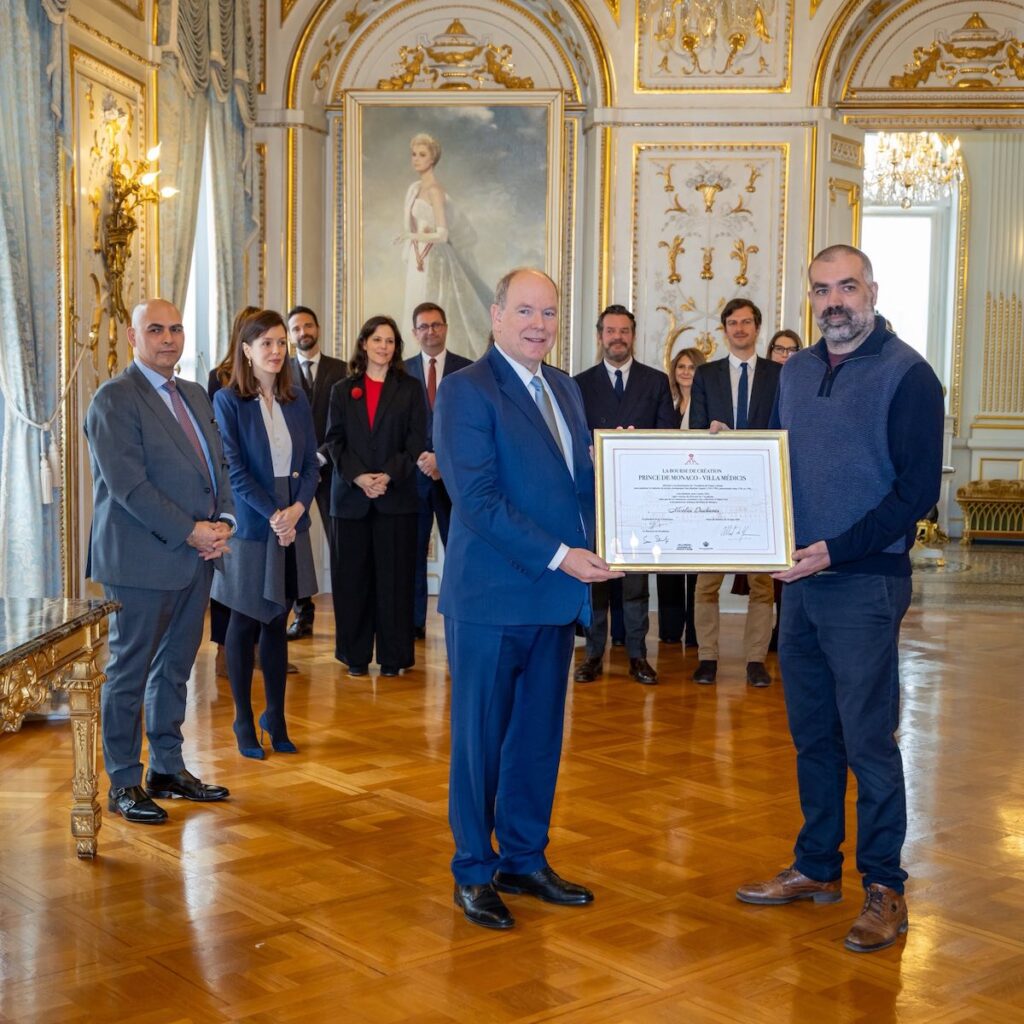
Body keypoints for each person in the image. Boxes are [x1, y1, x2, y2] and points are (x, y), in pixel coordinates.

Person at [736, 244, 944, 955]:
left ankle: (885, 886)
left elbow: (915, 495)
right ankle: (818, 865)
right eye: (822, 289)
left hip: (864, 582)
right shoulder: (793, 371)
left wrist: (835, 548)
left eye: (847, 287)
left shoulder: (909, 375)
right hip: (801, 585)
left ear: (872, 291)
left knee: (868, 742)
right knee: (812, 736)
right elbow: (772, 462)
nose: (835, 301)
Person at [435, 268, 623, 931]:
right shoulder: (465, 391)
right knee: (481, 742)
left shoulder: (565, 388)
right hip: (491, 599)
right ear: (495, 315)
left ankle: (523, 856)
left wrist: (666, 470)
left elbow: (582, 484)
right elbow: (478, 500)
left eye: (548, 312)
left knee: (538, 739)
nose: (539, 324)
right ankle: (473, 870)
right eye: (525, 311)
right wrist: (561, 556)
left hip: (554, 598)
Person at [85, 298, 233, 824]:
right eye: (155, 329)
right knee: (129, 672)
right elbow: (129, 487)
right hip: (139, 560)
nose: (168, 338)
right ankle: (124, 781)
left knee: (174, 668)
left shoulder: (193, 393)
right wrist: (192, 531)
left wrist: (225, 524)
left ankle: (166, 768)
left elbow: (219, 466)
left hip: (196, 557)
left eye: (175, 329)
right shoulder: (113, 399)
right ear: (133, 336)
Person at [212, 310, 319, 759]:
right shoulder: (228, 401)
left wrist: (295, 510)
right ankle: (242, 717)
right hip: (253, 524)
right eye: (266, 344)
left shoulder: (297, 400)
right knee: (244, 620)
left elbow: (312, 463)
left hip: (290, 520)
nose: (276, 351)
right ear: (246, 350)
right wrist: (276, 514)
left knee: (278, 618)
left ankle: (275, 715)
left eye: (280, 343)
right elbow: (234, 471)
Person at [572, 304, 676, 686]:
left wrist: (637, 446)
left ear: (633, 335)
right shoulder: (578, 384)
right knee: (596, 579)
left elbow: (668, 435)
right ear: (600, 335)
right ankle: (593, 655)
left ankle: (637, 656)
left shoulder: (655, 382)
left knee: (634, 584)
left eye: (624, 331)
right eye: (610, 331)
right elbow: (572, 437)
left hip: (639, 499)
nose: (617, 337)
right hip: (595, 497)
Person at [325, 315, 426, 676]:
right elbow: (334, 441)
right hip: (350, 501)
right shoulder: (342, 389)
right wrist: (359, 477)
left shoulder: (410, 389)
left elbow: (416, 441)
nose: (384, 346)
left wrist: (386, 476)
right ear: (364, 343)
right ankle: (354, 657)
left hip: (395, 498)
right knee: (352, 581)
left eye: (390, 341)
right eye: (378, 339)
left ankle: (393, 658)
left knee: (395, 582)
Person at [689, 298, 782, 688]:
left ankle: (755, 660)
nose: (740, 329)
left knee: (762, 584)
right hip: (716, 492)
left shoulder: (778, 375)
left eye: (746, 322)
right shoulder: (706, 374)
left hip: (761, 494)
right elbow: (694, 430)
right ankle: (708, 657)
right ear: (723, 330)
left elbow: (785, 430)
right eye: (732, 322)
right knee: (707, 583)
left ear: (758, 328)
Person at [404, 301, 473, 639]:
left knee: (458, 549)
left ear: (446, 328)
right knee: (412, 553)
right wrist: (423, 456)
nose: (431, 331)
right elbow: (399, 427)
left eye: (436, 324)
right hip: (414, 478)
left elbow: (470, 426)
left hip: (454, 479)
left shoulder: (467, 370)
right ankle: (414, 622)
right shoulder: (400, 372)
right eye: (424, 326)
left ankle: (460, 615)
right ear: (415, 332)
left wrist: (442, 461)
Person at [397, 132, 492, 360]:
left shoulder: (435, 191)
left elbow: (442, 233)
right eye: (414, 154)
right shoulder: (414, 189)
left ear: (432, 159)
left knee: (435, 303)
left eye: (422, 154)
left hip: (435, 259)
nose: (416, 159)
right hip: (418, 259)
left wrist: (411, 235)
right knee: (415, 304)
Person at [286, 305, 348, 641]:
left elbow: (344, 422)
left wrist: (323, 458)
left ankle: (347, 613)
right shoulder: (280, 370)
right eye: (295, 328)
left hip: (332, 469)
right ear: (290, 334)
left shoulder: (341, 369)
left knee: (338, 543)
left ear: (318, 328)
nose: (302, 332)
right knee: (295, 544)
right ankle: (302, 614)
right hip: (293, 474)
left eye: (307, 325)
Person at [207, 305, 260, 678]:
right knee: (231, 568)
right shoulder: (219, 378)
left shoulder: (276, 376)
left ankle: (259, 645)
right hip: (232, 483)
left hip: (266, 486)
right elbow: (215, 436)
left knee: (261, 571)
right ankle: (225, 647)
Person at [656, 346, 707, 648]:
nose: (686, 372)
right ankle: (671, 629)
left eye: (692, 367)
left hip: (698, 494)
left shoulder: (708, 404)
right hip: (669, 496)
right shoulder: (667, 403)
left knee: (698, 565)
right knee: (670, 562)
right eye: (681, 367)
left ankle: (696, 633)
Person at [765, 328, 802, 650]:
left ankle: (783, 628)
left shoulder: (800, 384)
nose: (785, 355)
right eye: (780, 349)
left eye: (792, 350)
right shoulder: (773, 384)